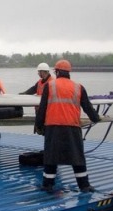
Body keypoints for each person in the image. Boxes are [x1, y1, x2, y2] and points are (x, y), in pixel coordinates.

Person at [35, 59, 101, 193]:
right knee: (77, 157)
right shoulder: (78, 87)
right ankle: (84, 186)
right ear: (69, 73)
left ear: (57, 72)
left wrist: (39, 125)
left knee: (51, 157)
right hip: (72, 127)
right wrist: (96, 118)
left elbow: (42, 108)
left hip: (53, 127)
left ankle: (47, 185)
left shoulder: (50, 86)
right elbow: (87, 107)